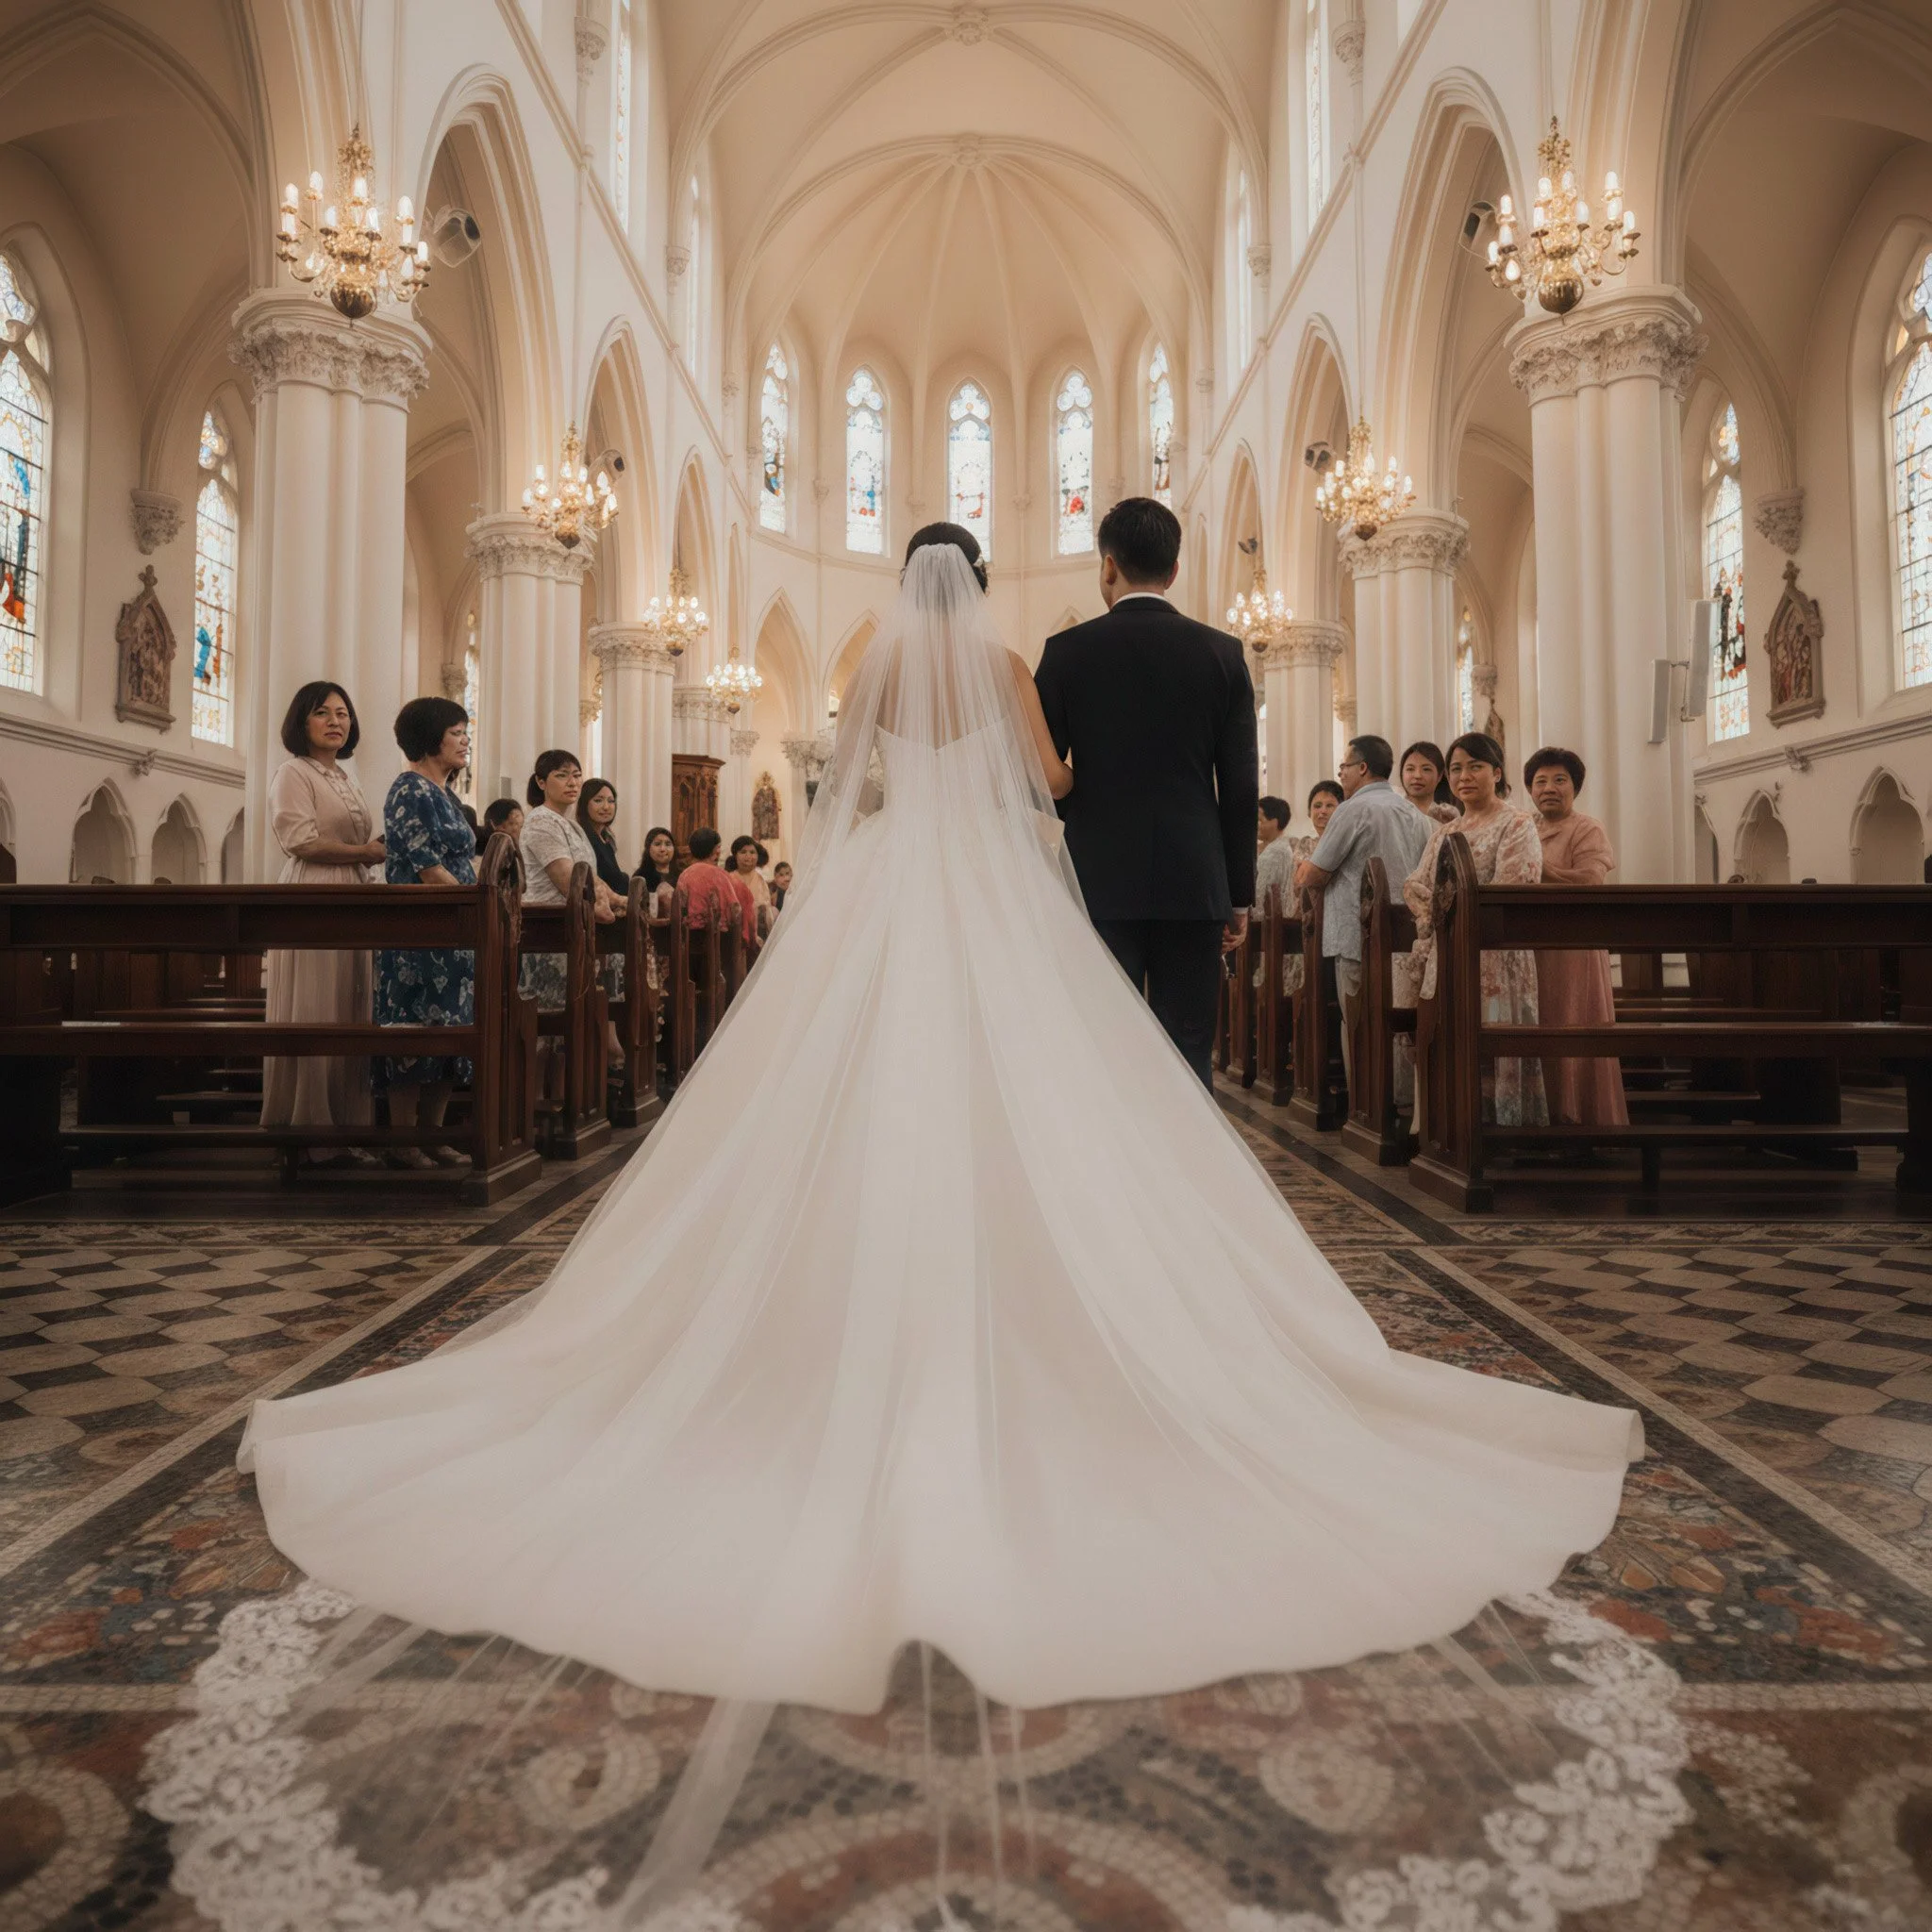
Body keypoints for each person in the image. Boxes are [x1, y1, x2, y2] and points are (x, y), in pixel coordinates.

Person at [243, 527, 1639, 1739]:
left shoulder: (869, 669)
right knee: (1035, 1084)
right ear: (977, 586)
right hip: (988, 891)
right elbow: (1048, 781)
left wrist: (897, 811)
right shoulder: (1012, 667)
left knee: (839, 1089)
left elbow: (843, 784)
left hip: (884, 890)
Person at [1035, 498, 1257, 1086]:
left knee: (1102, 1046)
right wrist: (1239, 894)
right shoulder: (1223, 653)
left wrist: (1074, 821)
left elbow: (1038, 772)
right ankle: (1189, 1171)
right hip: (1195, 877)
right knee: (1188, 1047)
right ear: (1174, 571)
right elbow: (1239, 785)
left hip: (1097, 879)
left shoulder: (1066, 653)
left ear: (1108, 566)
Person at [261, 681, 383, 1166]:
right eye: (322, 713)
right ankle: (309, 1126)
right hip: (313, 890)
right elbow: (300, 841)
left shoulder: (345, 777)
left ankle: (347, 1124)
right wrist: (366, 852)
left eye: (342, 713)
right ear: (302, 721)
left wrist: (366, 856)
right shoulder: (292, 772)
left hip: (352, 890)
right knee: (316, 1004)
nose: (336, 721)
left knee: (350, 1006)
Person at [1404, 732, 1547, 1128]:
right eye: (1456, 769)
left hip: (1495, 960)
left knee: (1494, 1039)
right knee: (1450, 1042)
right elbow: (1415, 885)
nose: (1464, 776)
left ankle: (1501, 1130)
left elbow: (1514, 889)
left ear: (1496, 772)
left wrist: (1445, 907)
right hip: (1447, 957)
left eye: (1475, 767)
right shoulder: (1446, 832)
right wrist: (1436, 911)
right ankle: (1453, 1126)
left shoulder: (1517, 824)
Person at [375, 696, 476, 1169]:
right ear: (431, 736)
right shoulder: (409, 790)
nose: (465, 740)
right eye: (457, 731)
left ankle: (433, 1134)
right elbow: (427, 868)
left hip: (454, 930)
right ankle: (403, 1138)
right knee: (413, 1033)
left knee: (450, 1032)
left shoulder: (447, 794)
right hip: (420, 933)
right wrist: (475, 906)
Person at [1294, 736, 1429, 1089]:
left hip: (1359, 932)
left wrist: (1303, 869)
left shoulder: (1352, 809)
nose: (1342, 774)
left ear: (1363, 768)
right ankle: (1401, 1103)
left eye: (1345, 767)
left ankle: (1365, 1105)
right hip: (1404, 934)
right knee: (1400, 1021)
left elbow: (1317, 872)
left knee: (1357, 1020)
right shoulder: (1413, 812)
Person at [1525, 747, 1627, 1127]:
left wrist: (1538, 867)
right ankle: (1539, 1119)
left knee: (1571, 1025)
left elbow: (1589, 879)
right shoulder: (1524, 827)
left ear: (1575, 787)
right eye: (1540, 781)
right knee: (1535, 1031)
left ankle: (1581, 1120)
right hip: (1530, 946)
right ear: (1530, 790)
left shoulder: (1587, 827)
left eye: (1559, 780)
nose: (1549, 788)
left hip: (1573, 947)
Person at [519, 753, 623, 1081]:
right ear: (541, 782)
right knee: (547, 1033)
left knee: (569, 1032)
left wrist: (621, 900)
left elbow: (592, 876)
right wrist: (600, 907)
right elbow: (567, 879)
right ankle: (535, 1111)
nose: (572, 782)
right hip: (549, 932)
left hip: (575, 931)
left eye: (577, 775)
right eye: (562, 776)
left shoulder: (572, 824)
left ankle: (566, 1103)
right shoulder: (540, 821)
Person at [678, 827, 755, 945]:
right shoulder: (718, 874)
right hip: (717, 939)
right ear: (715, 851)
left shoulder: (684, 874)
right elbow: (735, 909)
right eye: (718, 847)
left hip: (689, 939)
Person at [576, 778, 632, 899]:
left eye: (611, 801)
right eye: (598, 800)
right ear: (584, 803)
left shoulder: (606, 838)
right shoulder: (583, 837)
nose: (606, 807)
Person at [1398, 741, 1459, 824]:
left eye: (1426, 769)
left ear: (1440, 776)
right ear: (1402, 773)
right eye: (1410, 769)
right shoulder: (1392, 810)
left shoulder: (1447, 816)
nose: (1417, 775)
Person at [729, 834, 772, 937]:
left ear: (757, 856)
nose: (748, 856)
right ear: (735, 856)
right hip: (735, 930)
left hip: (759, 931)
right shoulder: (729, 878)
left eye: (752, 852)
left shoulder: (761, 880)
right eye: (743, 852)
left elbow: (765, 908)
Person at [635, 825, 678, 913]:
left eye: (668, 844)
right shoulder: (640, 876)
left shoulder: (681, 875)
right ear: (648, 848)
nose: (663, 849)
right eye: (657, 844)